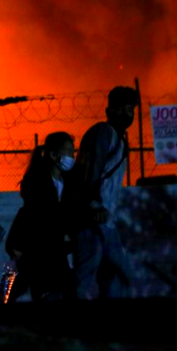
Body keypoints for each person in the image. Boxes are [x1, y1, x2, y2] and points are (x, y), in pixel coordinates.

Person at [66, 86, 137, 299]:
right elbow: (90, 171)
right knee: (87, 280)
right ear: (110, 110)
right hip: (92, 220)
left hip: (106, 221)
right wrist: (94, 204)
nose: (128, 114)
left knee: (113, 279)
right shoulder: (103, 133)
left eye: (131, 109)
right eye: (123, 109)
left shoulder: (119, 139)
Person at [6, 132, 76, 301]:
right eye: (68, 152)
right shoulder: (37, 181)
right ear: (53, 155)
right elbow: (35, 216)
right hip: (38, 250)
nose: (72, 157)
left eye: (72, 152)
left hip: (55, 249)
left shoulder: (69, 182)